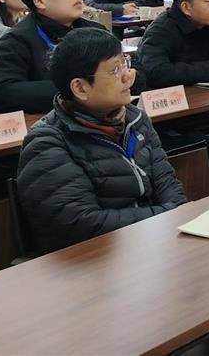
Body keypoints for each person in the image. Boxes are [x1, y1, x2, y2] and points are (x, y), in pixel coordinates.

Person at [15, 28, 186, 253]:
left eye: (124, 64)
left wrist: (172, 214)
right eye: (115, 70)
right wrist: (165, 216)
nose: (128, 76)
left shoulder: (136, 119)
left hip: (149, 244)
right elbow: (83, 225)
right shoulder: (47, 142)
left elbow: (170, 188)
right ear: (80, 88)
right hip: (90, 260)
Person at [0, 0, 143, 113]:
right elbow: (1, 91)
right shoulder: (17, 40)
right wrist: (80, 88)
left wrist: (130, 77)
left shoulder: (96, 31)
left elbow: (134, 69)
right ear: (39, 1)